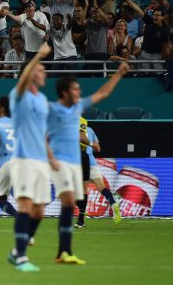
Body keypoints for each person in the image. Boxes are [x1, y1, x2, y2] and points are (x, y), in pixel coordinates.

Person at [46, 63, 129, 265]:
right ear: (65, 92)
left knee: (67, 205)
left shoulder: (77, 109)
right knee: (65, 203)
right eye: (75, 88)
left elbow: (102, 94)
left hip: (76, 164)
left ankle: (63, 252)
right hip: (61, 163)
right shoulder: (52, 111)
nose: (79, 92)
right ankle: (37, 247)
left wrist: (118, 74)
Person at [6, 43, 54, 273]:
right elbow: (24, 77)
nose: (43, 72)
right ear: (30, 72)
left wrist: (51, 158)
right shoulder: (19, 94)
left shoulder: (42, 101)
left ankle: (17, 251)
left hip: (40, 161)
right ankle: (22, 257)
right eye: (39, 70)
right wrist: (39, 56)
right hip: (23, 158)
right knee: (25, 205)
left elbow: (42, 133)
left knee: (39, 212)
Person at [76, 118, 121, 228]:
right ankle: (113, 203)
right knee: (101, 187)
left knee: (82, 190)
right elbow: (98, 149)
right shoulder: (90, 130)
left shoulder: (72, 128)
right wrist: (91, 146)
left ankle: (81, 220)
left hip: (80, 161)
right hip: (92, 162)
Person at [122, 0, 170, 73]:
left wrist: (165, 57)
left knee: (158, 75)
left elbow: (164, 48)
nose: (155, 16)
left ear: (163, 17)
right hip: (145, 54)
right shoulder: (149, 21)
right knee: (144, 75)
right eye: (154, 15)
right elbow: (137, 9)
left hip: (157, 56)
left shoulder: (165, 31)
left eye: (158, 15)